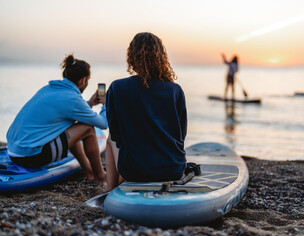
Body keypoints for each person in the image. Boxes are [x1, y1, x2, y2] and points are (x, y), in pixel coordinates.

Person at [6, 54, 107, 183]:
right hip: (30, 156)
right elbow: (103, 124)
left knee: (71, 128)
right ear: (83, 80)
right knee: (88, 128)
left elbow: (65, 112)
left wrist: (89, 104)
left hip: (14, 151)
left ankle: (90, 172)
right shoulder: (73, 98)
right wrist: (105, 104)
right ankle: (100, 176)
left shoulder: (48, 89)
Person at [105, 32, 187, 190]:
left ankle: (110, 190)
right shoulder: (175, 90)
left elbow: (116, 135)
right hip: (173, 169)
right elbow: (180, 136)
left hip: (135, 171)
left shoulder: (117, 88)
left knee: (109, 139)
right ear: (161, 58)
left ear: (132, 57)